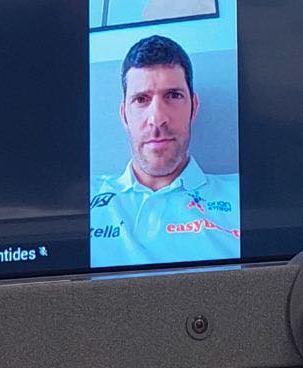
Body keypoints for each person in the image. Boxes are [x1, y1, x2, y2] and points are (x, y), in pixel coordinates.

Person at [90, 35, 240, 269]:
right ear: (124, 115)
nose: (157, 118)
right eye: (141, 99)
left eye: (173, 95)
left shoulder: (244, 196)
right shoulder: (83, 201)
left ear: (194, 107)